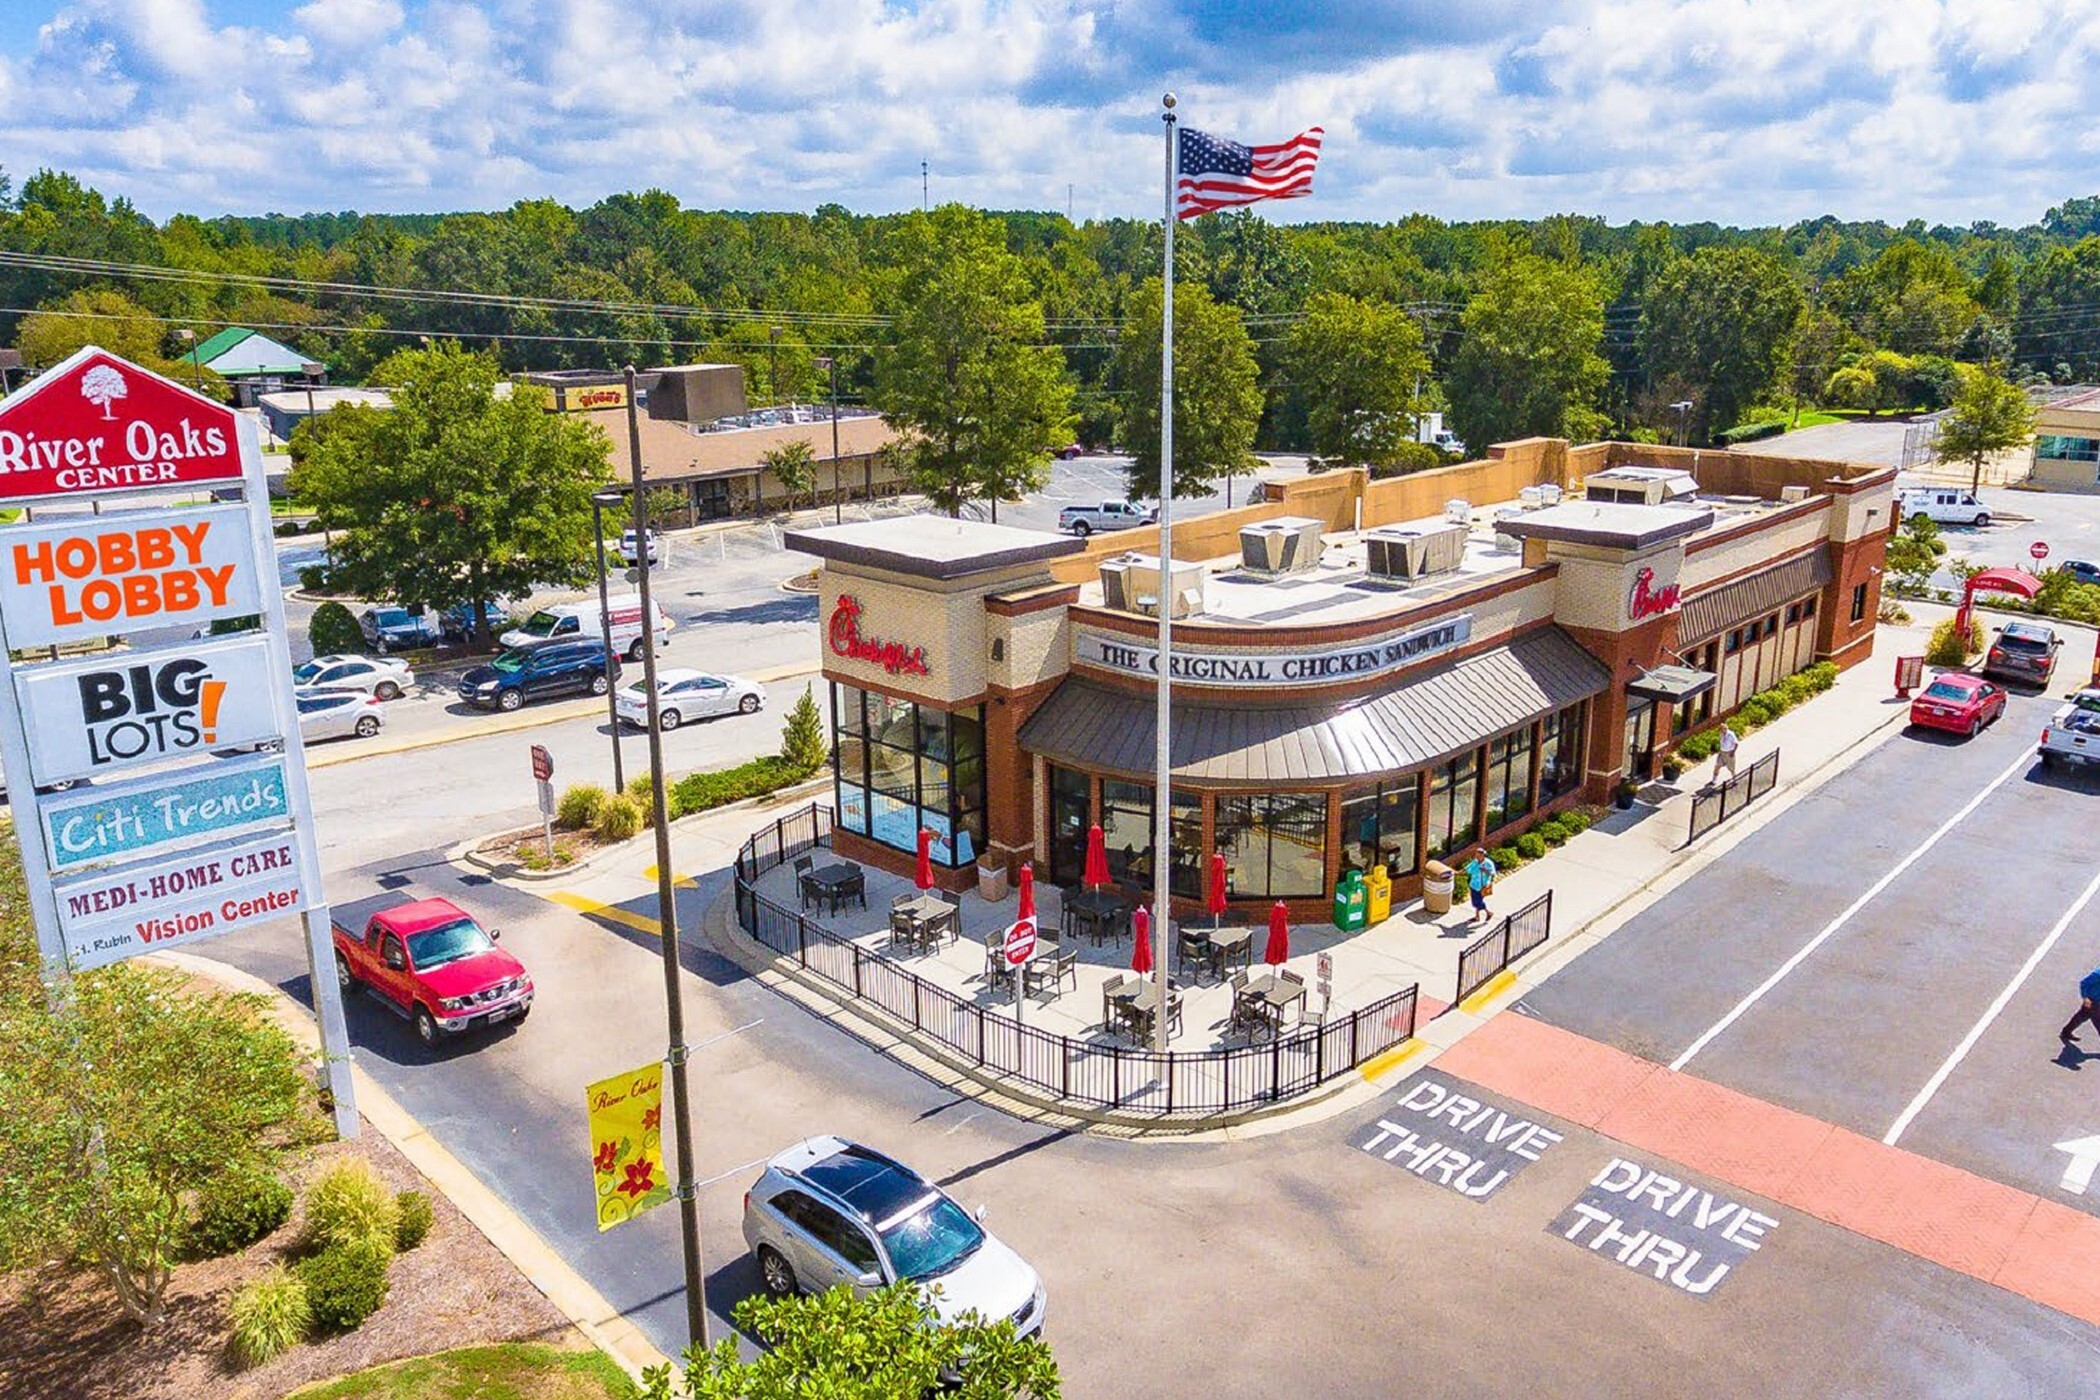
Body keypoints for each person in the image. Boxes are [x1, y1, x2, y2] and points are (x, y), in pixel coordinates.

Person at [2061, 964, 2100, 1045]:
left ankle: (2066, 1032)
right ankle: (2066, 1032)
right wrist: (2085, 997)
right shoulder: (2097, 974)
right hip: (2093, 1002)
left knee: (2081, 1017)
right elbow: (2084, 983)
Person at [1463, 848, 1497, 924]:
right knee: (1475, 901)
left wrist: (1484, 870)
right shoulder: (1474, 862)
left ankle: (1488, 913)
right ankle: (1477, 916)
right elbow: (1468, 869)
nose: (1477, 857)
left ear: (1483, 855)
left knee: (1478, 902)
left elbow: (1492, 874)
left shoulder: (1488, 863)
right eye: (1476, 855)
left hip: (1482, 886)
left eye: (1478, 855)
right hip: (1473, 884)